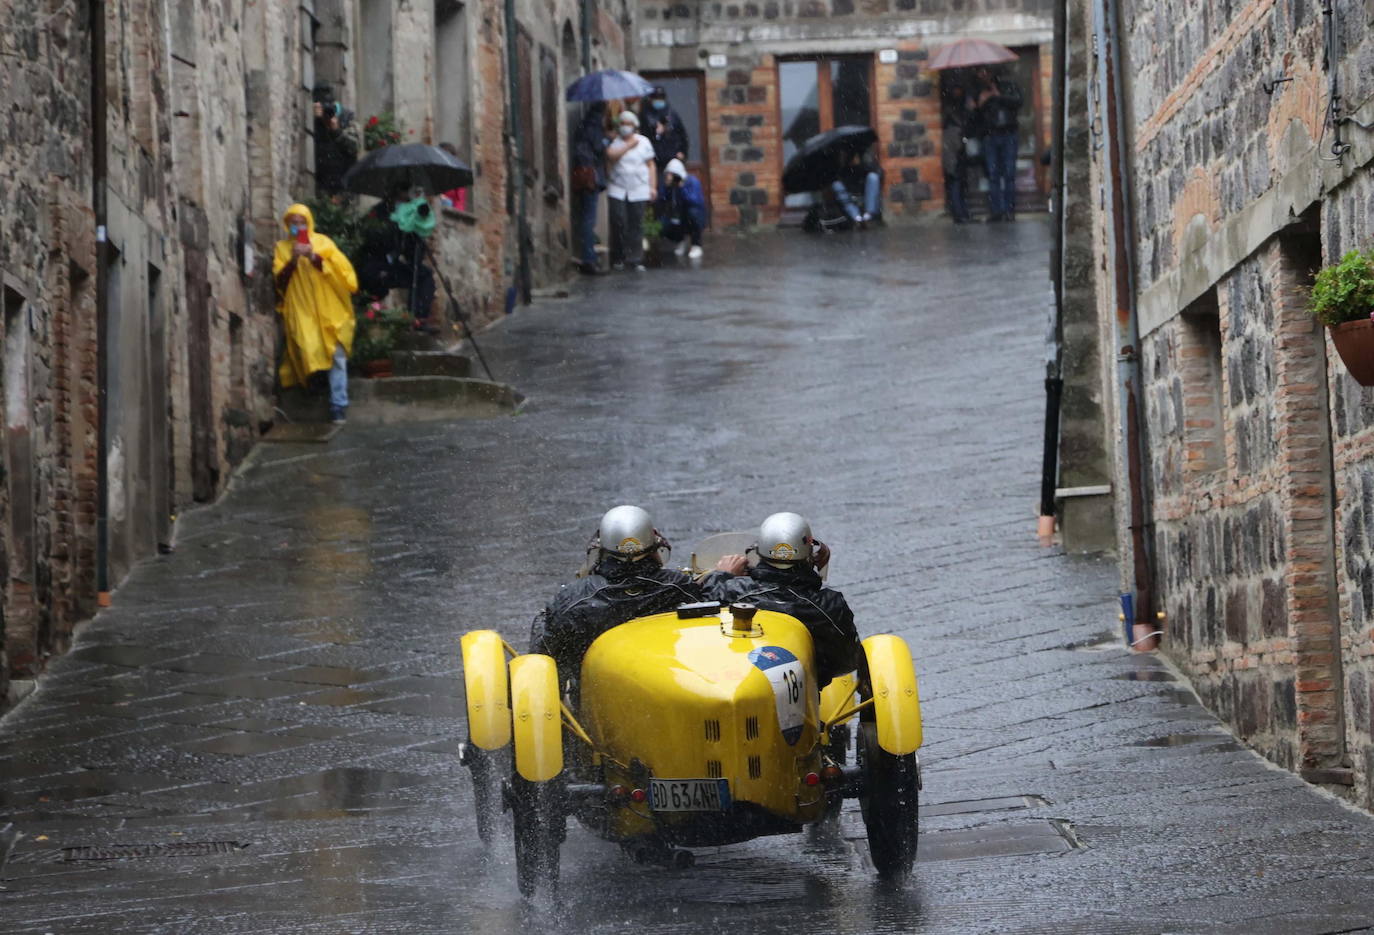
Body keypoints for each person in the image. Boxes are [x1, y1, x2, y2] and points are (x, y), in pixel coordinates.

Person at [530, 505, 703, 680]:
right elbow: (719, 597)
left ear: (601, 549)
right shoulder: (679, 587)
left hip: (595, 693)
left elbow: (547, 656)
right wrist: (722, 574)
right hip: (666, 681)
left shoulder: (573, 599)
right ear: (655, 547)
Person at [703, 512, 862, 688]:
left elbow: (705, 607)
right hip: (804, 699)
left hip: (737, 685)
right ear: (808, 553)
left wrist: (721, 575)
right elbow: (848, 660)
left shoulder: (732, 591)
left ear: (760, 551)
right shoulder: (827, 605)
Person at [273, 204, 358, 423]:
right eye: (293, 222)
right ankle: (313, 387)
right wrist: (292, 260)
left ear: (309, 222)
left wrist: (314, 257)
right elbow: (279, 281)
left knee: (336, 353)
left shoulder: (323, 243)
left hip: (330, 308)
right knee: (306, 348)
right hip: (301, 308)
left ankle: (338, 405)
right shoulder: (282, 248)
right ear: (287, 225)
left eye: (302, 222)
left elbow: (342, 273)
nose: (298, 226)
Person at [355, 183, 438, 325]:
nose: (408, 198)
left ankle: (417, 319)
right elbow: (372, 240)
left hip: (392, 265)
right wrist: (395, 225)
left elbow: (413, 258)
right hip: (374, 263)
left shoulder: (409, 214)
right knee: (374, 286)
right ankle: (365, 317)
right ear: (397, 192)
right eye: (406, 192)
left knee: (424, 275)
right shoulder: (379, 211)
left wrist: (417, 231)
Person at [605, 110, 657, 272]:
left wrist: (652, 186)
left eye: (628, 123)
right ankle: (618, 257)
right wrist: (628, 145)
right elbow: (611, 156)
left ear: (634, 126)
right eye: (622, 123)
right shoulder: (614, 143)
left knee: (637, 223)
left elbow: (651, 165)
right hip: (617, 187)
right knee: (618, 221)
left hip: (639, 187)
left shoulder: (644, 142)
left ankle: (636, 258)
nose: (625, 127)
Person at [973, 66, 1022, 222]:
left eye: (986, 72)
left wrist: (998, 96)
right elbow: (974, 116)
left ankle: (1009, 210)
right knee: (993, 175)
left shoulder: (1008, 86)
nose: (983, 75)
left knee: (1009, 173)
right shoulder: (979, 91)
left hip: (1008, 134)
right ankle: (996, 211)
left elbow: (1018, 102)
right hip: (990, 135)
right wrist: (981, 103)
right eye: (981, 73)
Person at [571, 102, 610, 274]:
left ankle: (588, 256)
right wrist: (608, 139)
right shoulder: (593, 126)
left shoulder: (584, 124)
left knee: (586, 218)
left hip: (582, 174)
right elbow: (599, 147)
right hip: (590, 175)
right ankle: (589, 259)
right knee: (588, 219)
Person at [655, 158, 706, 260]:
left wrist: (682, 188)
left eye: (671, 174)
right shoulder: (670, 186)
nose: (668, 177)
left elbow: (695, 201)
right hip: (677, 215)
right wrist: (665, 188)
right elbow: (661, 199)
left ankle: (696, 244)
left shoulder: (692, 182)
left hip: (692, 214)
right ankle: (680, 240)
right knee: (663, 225)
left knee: (693, 214)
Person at [312, 84, 358, 196]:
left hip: (344, 188)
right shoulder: (313, 121)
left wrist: (337, 131)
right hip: (321, 188)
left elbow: (354, 148)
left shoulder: (347, 118)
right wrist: (316, 120)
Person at [942, 85, 973, 224]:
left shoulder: (955, 111)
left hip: (955, 149)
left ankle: (961, 212)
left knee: (958, 181)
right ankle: (959, 213)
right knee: (956, 180)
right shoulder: (954, 114)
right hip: (954, 149)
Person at [640, 86, 690, 173]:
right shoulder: (645, 115)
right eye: (656, 98)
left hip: (672, 157)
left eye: (661, 98)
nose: (658, 100)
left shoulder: (671, 114)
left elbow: (682, 134)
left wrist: (682, 151)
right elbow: (643, 136)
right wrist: (655, 132)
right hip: (654, 159)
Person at [831, 150, 882, 228]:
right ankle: (857, 218)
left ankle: (867, 216)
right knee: (836, 185)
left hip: (865, 194)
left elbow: (877, 173)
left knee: (873, 177)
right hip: (850, 195)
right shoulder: (842, 170)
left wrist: (860, 165)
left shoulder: (865, 166)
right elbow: (841, 185)